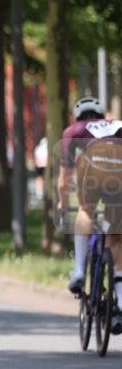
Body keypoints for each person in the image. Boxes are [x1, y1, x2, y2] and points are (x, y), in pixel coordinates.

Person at [61, 98, 122, 328]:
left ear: (78, 117)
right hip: (119, 172)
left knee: (85, 211)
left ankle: (78, 271)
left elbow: (64, 177)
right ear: (101, 115)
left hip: (93, 170)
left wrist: (62, 202)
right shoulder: (117, 125)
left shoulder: (74, 130)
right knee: (117, 240)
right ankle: (121, 304)